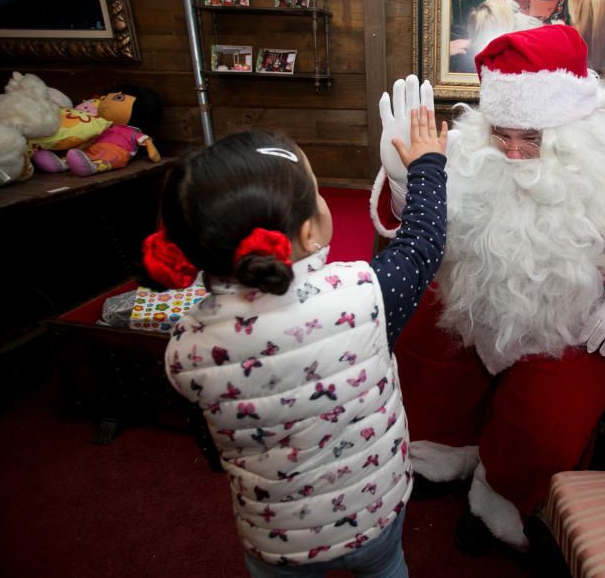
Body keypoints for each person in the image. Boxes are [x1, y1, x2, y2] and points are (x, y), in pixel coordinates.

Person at [369, 25, 605, 552]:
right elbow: (432, 226)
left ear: (574, 122)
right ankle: (440, 452)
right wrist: (409, 180)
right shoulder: (469, 145)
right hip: (478, 293)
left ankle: (500, 495)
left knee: (548, 420)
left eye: (533, 138)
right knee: (422, 345)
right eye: (502, 134)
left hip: (577, 316)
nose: (515, 152)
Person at [144, 120, 448, 576]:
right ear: (311, 233)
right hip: (374, 512)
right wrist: (427, 167)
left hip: (275, 536)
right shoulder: (364, 295)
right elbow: (422, 245)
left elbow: (208, 437)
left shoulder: (187, 345)